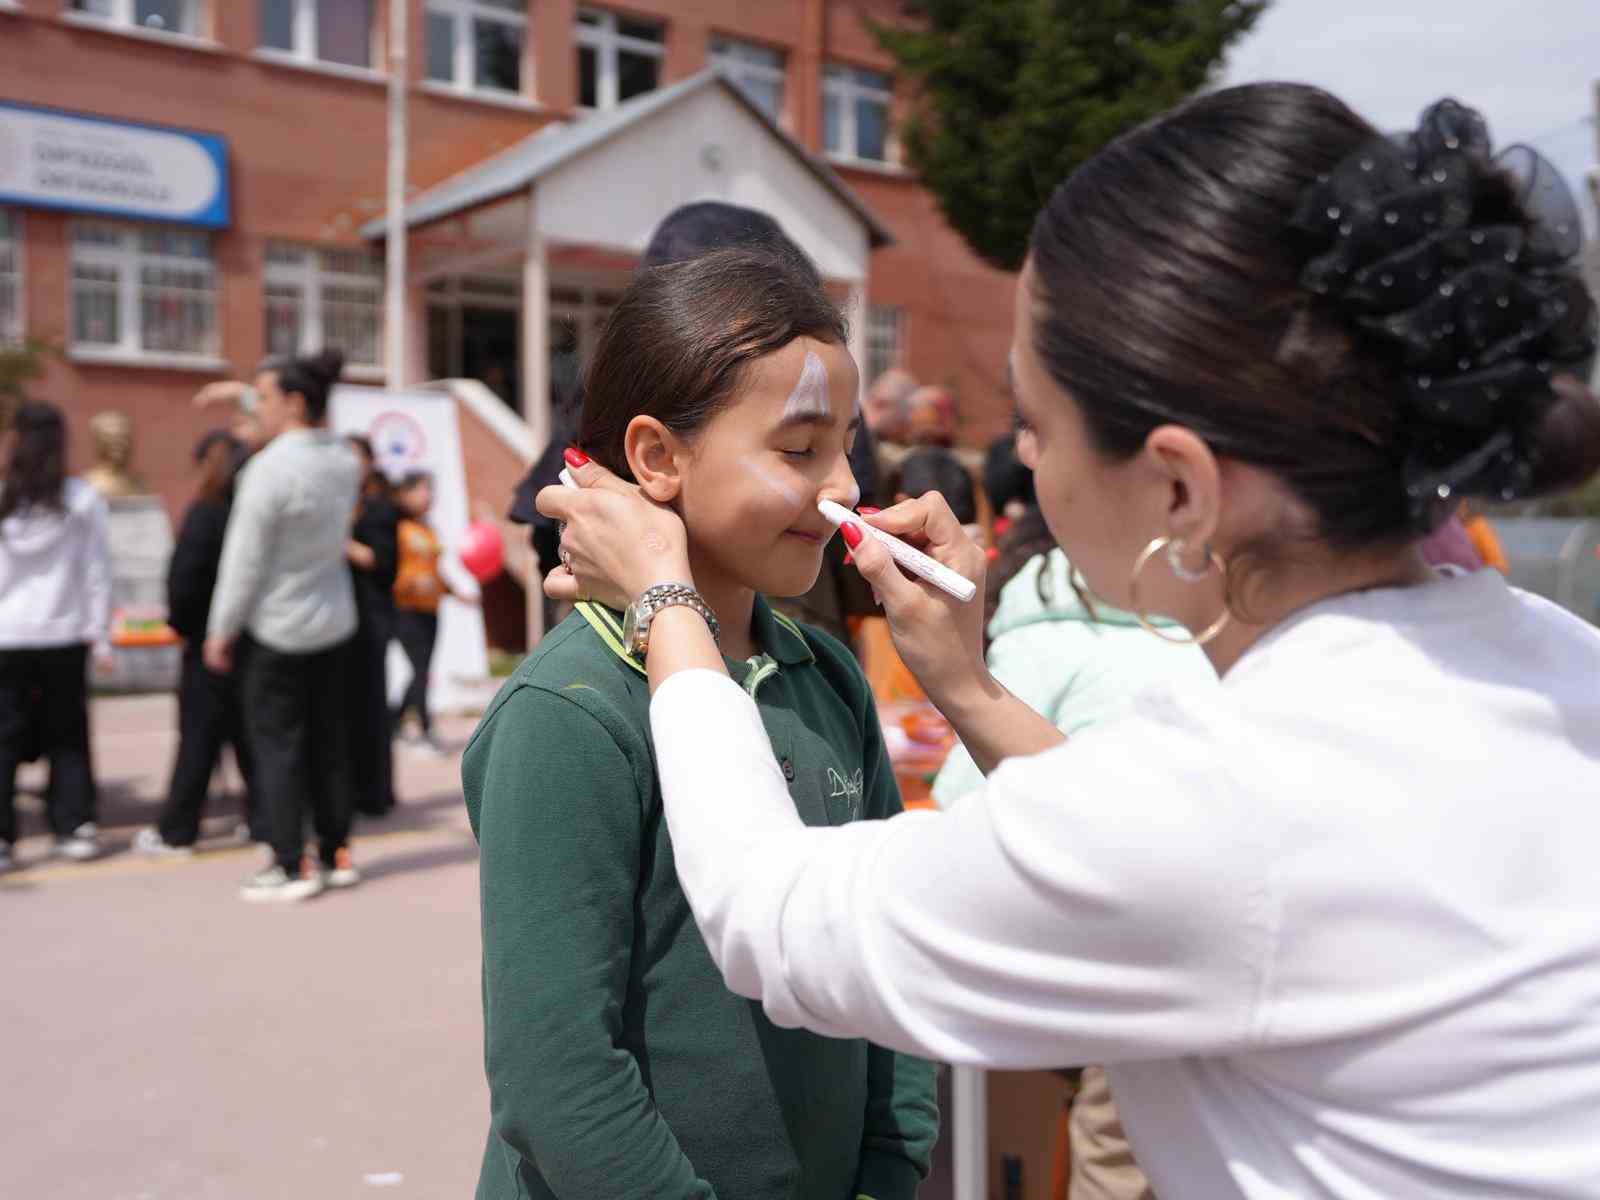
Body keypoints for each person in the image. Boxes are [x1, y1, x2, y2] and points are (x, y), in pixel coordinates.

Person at [543, 86, 1600, 1198]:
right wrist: (966, 684)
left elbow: (775, 919)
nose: (1027, 464)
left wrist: (664, 598)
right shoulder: (1549, 659)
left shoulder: (1231, 793)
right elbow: (1153, 848)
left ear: (1179, 485)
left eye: (1035, 424)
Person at [463, 248, 938, 1200]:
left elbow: (886, 954)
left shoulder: (825, 677)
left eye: (847, 445)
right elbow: (558, 1081)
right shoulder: (572, 710)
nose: (845, 486)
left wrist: (888, 1170)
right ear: (656, 457)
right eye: (799, 450)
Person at [206, 349, 362, 902]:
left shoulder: (267, 469)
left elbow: (243, 562)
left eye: (265, 397)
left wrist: (220, 630)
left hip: (277, 626)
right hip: (333, 619)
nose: (257, 407)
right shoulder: (344, 459)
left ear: (294, 402)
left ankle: (290, 863)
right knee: (329, 742)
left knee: (277, 747)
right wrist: (241, 392)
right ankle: (335, 851)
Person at [135, 432, 263, 858]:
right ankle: (265, 819)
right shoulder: (251, 516)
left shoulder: (206, 514)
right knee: (250, 737)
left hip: (209, 641)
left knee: (198, 739)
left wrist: (182, 625)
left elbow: (185, 579)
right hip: (253, 639)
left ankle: (178, 830)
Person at [0, 402, 112, 870]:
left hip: (7, 635)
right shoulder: (82, 499)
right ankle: (73, 825)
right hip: (64, 633)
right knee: (67, 734)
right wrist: (100, 635)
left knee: (3, 738)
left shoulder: (5, 497)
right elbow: (96, 572)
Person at [390, 471, 475, 756]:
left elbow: (435, 573)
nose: (429, 496)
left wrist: (456, 593)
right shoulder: (399, 529)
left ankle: (395, 722)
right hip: (406, 610)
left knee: (422, 670)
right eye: (423, 490)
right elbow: (390, 569)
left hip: (431, 610)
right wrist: (409, 583)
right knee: (420, 670)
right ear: (405, 494)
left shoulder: (428, 529)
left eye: (431, 490)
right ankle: (423, 729)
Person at [345, 435, 400, 813]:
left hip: (372, 617)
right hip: (342, 620)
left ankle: (376, 794)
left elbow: (380, 561)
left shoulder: (379, 508)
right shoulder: (342, 503)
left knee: (371, 707)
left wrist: (338, 541)